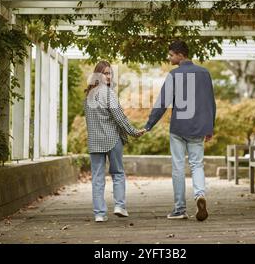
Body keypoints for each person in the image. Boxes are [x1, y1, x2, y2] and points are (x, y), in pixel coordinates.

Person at [143, 40, 216, 221]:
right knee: (197, 164)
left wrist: (149, 125)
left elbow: (162, 102)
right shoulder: (204, 73)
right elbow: (210, 103)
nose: (169, 58)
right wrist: (209, 127)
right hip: (199, 127)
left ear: (180, 55)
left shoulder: (174, 75)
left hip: (179, 128)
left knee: (178, 167)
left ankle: (179, 209)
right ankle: (200, 195)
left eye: (171, 55)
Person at [84, 60, 145, 222]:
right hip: (112, 139)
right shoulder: (108, 93)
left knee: (97, 177)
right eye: (105, 73)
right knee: (117, 173)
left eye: (110, 73)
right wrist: (133, 132)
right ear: (98, 75)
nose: (109, 76)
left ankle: (99, 214)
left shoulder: (89, 95)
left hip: (95, 141)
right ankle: (119, 206)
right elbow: (119, 117)